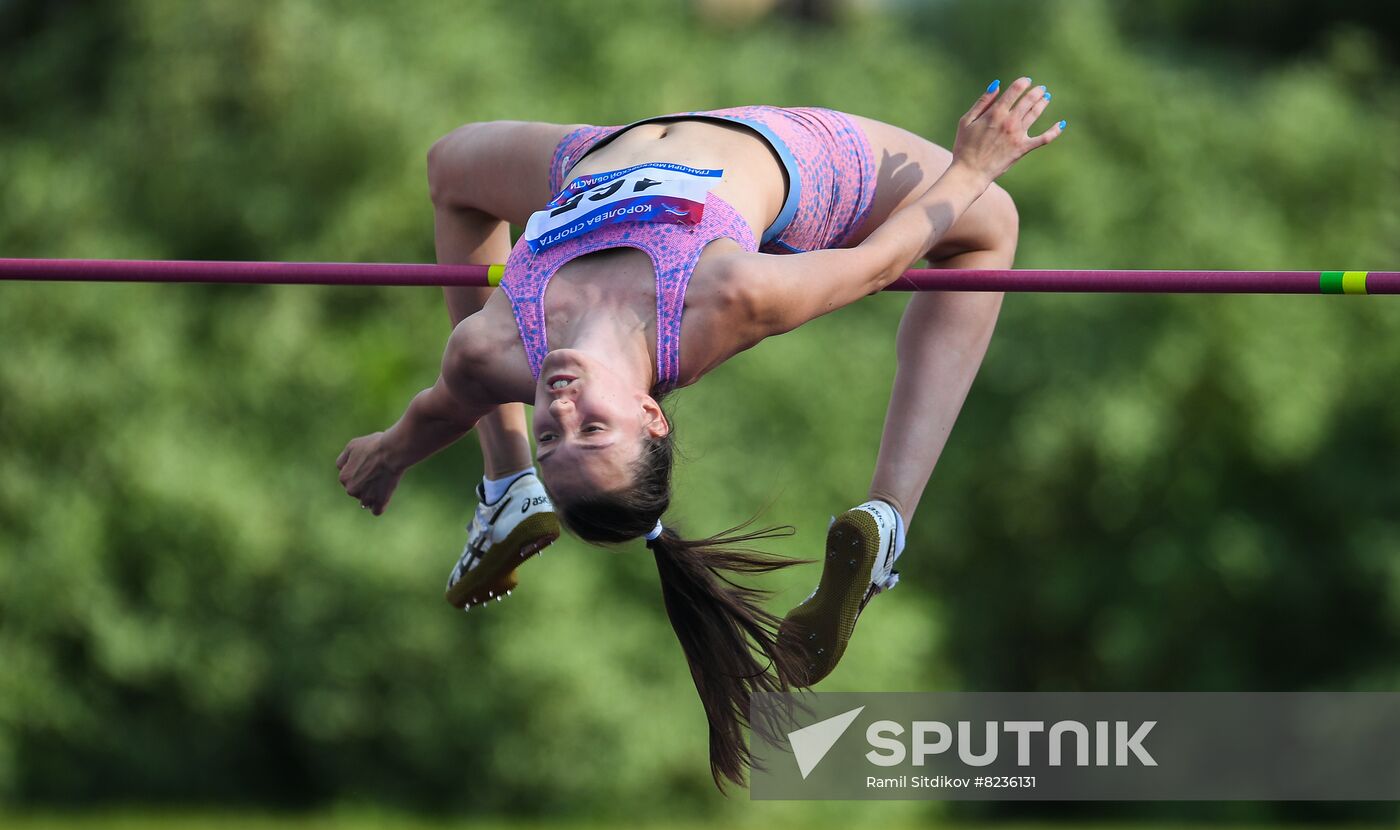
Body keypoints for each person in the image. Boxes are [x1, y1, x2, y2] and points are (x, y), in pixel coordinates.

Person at [336, 79, 1062, 786]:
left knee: (450, 168)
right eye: (593, 427)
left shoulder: (492, 350)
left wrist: (390, 452)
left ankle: (506, 485)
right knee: (988, 222)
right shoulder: (720, 300)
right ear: (651, 413)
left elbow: (437, 409)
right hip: (783, 155)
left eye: (550, 439)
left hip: (601, 155)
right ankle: (890, 515)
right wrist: (969, 168)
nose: (558, 410)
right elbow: (877, 266)